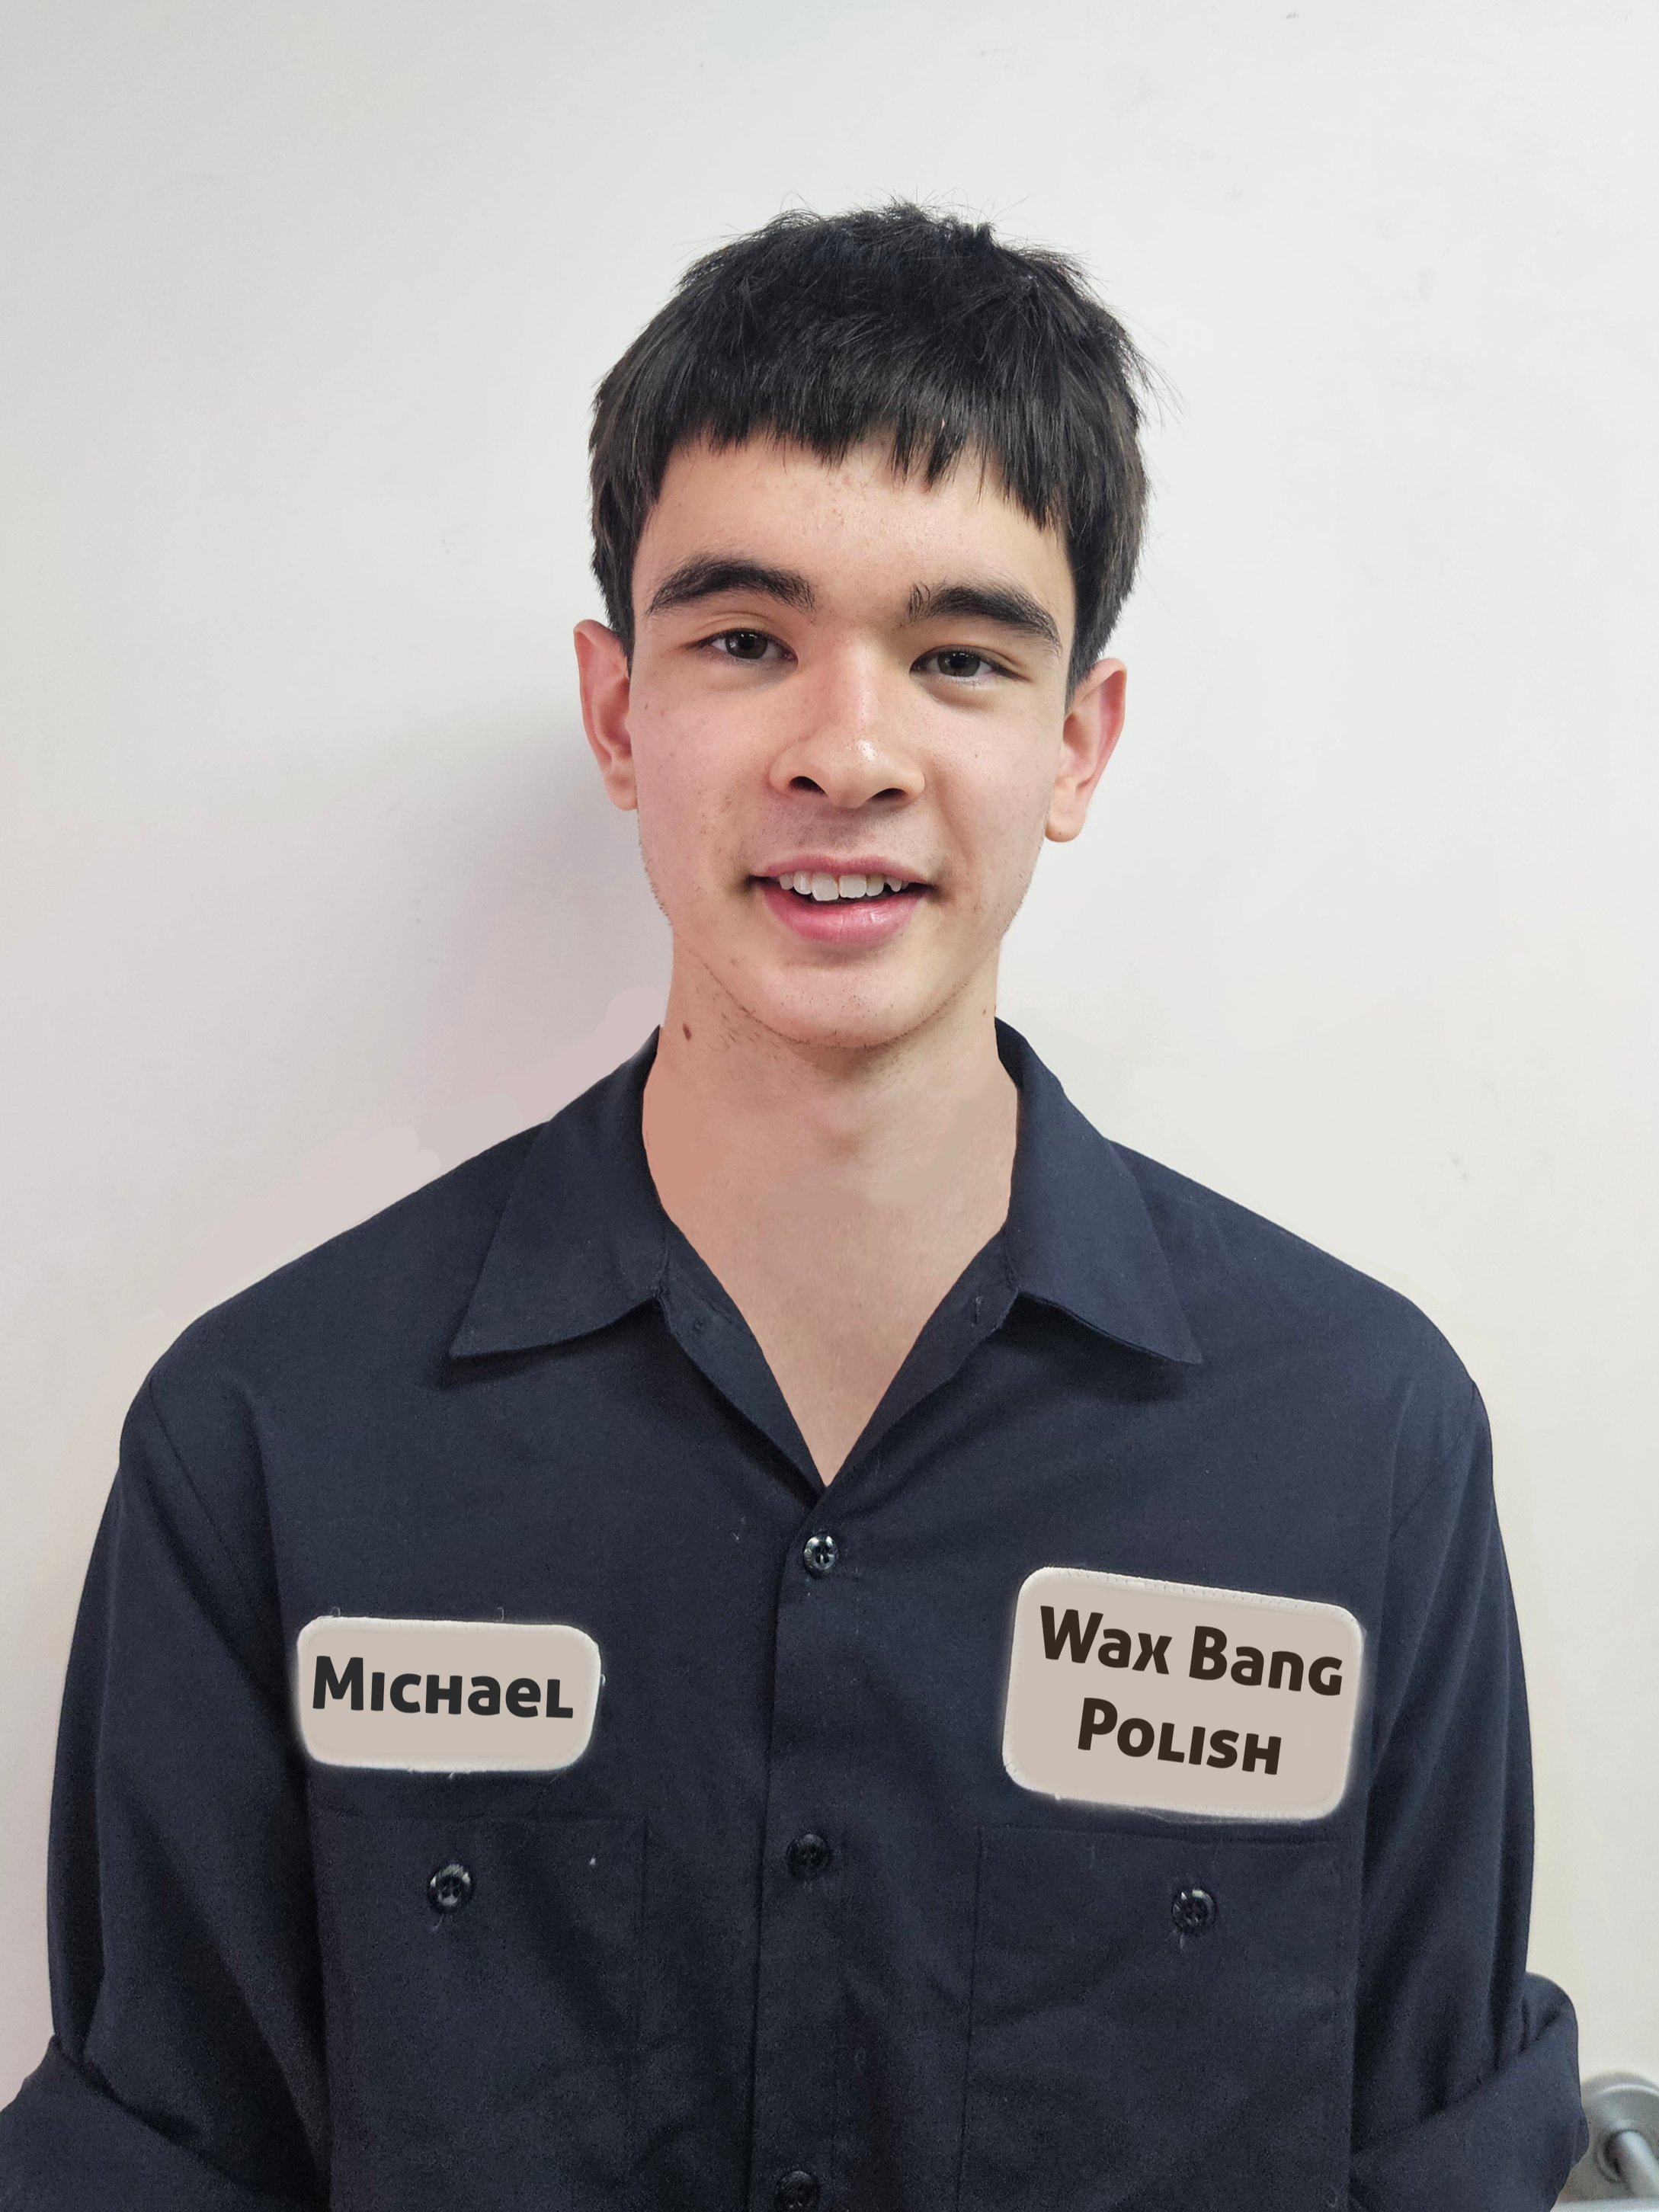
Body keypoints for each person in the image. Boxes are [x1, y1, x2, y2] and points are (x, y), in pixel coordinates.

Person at [0, 203, 1587, 2212]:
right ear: (616, 710)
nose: (848, 751)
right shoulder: (270, 1444)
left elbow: (1442, 2161)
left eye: (959, 655)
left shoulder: (1358, 1444)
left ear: (1074, 743)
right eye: (746, 640)